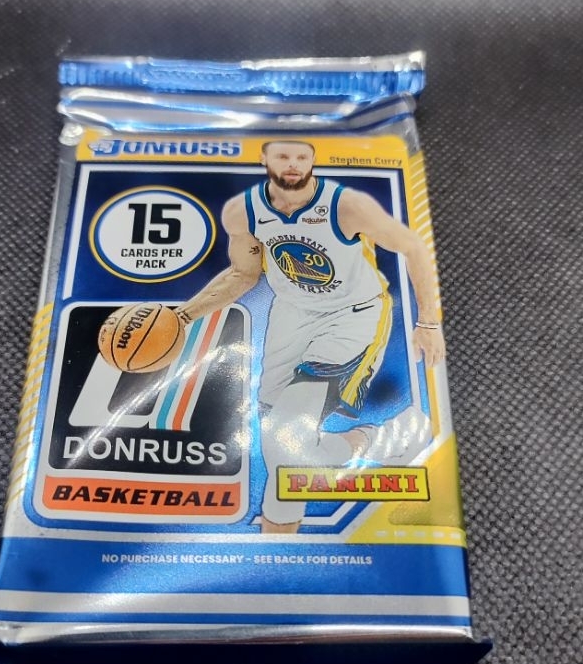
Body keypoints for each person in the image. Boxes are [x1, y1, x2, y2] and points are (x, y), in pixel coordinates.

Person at [175, 140, 444, 533]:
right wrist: (182, 316)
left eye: (302, 156)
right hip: (291, 315)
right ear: (264, 158)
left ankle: (277, 545)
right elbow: (243, 274)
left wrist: (429, 323)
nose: (293, 164)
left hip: (352, 315)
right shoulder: (242, 211)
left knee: (285, 444)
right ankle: (375, 439)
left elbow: (413, 247)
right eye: (283, 156)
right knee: (280, 445)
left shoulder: (347, 206)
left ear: (313, 160)